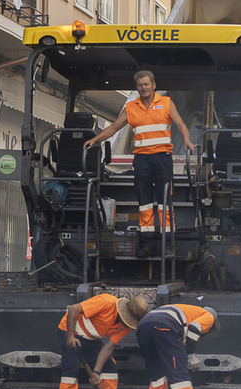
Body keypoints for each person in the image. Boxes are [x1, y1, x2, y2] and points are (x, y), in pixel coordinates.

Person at [83, 70, 196, 257]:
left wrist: (187, 140)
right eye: (140, 85)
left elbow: (181, 124)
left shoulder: (166, 103)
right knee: (144, 202)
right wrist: (95, 140)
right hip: (142, 160)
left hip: (162, 158)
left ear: (154, 85)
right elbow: (113, 128)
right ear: (137, 87)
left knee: (164, 201)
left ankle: (168, 245)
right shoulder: (131, 108)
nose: (144, 87)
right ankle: (148, 243)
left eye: (147, 84)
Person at [55, 293, 149, 389]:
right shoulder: (106, 301)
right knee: (71, 372)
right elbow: (74, 309)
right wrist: (70, 336)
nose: (125, 322)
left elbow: (108, 347)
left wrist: (96, 372)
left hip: (92, 339)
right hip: (70, 331)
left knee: (110, 371)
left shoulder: (126, 326)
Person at [135, 304, 218, 389]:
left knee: (158, 379)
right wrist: (190, 355)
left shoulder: (184, 311)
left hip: (143, 328)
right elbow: (195, 328)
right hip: (165, 328)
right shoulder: (208, 316)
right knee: (181, 381)